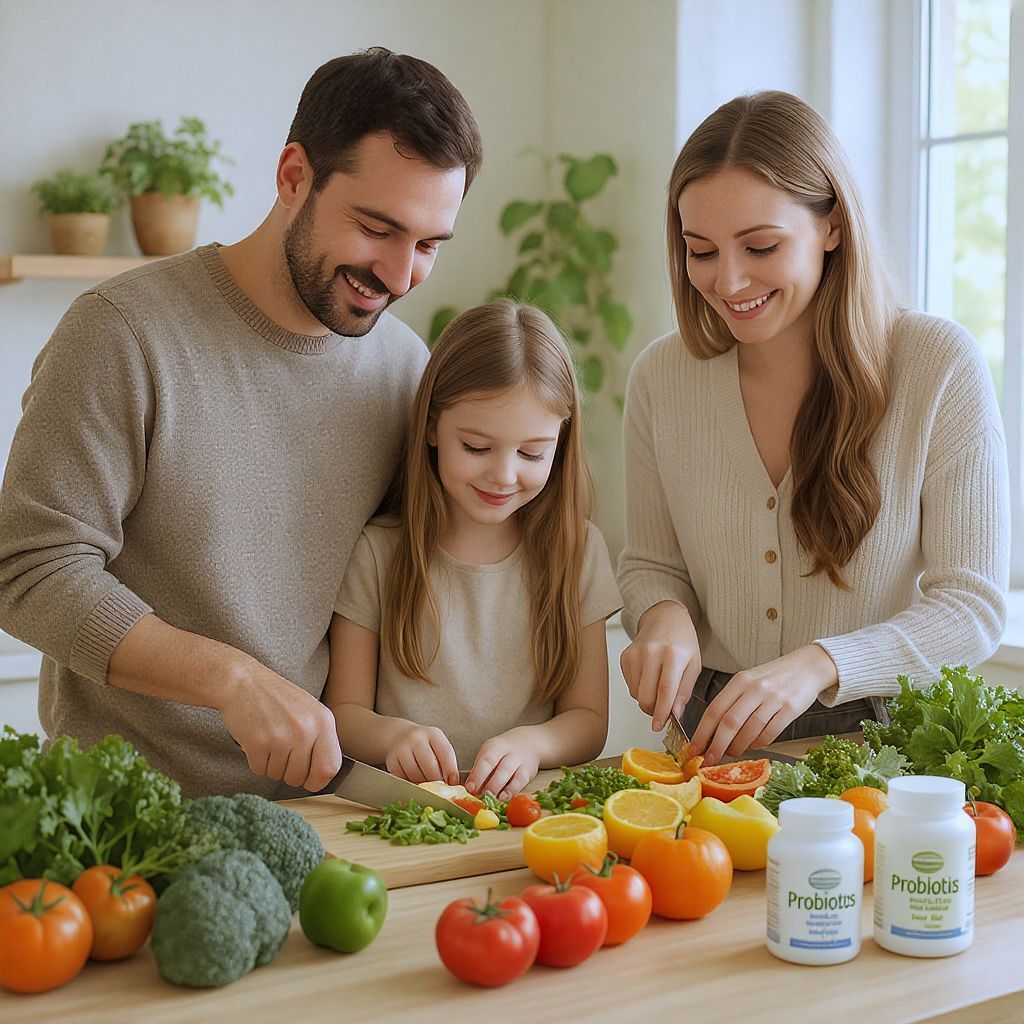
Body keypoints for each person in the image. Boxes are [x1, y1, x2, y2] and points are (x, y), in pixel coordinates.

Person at [0, 48, 483, 799]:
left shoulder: (404, 371)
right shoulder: (121, 333)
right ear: (295, 176)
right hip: (127, 821)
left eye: (427, 246)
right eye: (376, 228)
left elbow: (403, 579)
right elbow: (30, 571)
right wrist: (231, 678)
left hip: (323, 816)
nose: (398, 275)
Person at [617, 90, 1009, 766]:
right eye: (700, 251)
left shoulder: (936, 365)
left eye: (760, 246)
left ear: (832, 225)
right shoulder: (662, 377)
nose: (728, 280)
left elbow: (971, 608)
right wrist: (663, 616)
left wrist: (817, 665)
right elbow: (652, 564)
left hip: (881, 742)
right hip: (710, 738)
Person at [325, 300, 621, 799]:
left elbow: (588, 720)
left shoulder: (578, 551)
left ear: (561, 442)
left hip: (525, 815)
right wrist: (394, 736)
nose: (503, 475)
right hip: (408, 811)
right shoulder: (379, 552)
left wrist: (532, 745)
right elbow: (344, 714)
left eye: (532, 453)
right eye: (477, 448)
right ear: (433, 427)